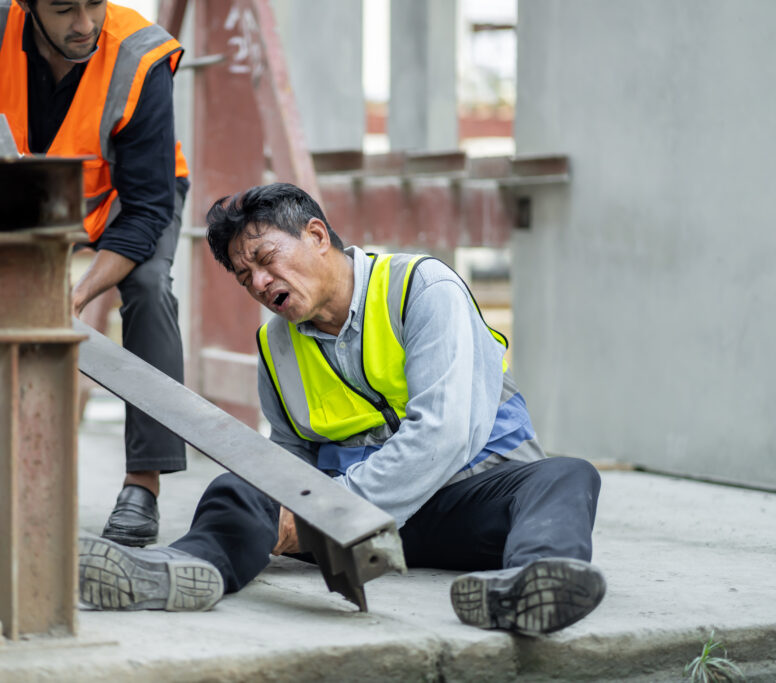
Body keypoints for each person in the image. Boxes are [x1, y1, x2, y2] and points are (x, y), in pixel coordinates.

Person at [76, 183, 607, 635]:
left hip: (465, 505)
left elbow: (445, 434)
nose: (258, 283)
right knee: (243, 484)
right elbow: (289, 459)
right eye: (244, 277)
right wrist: (285, 507)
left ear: (317, 235)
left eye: (264, 260)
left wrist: (324, 516)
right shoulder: (276, 347)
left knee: (563, 477)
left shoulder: (420, 288)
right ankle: (183, 568)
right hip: (358, 531)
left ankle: (534, 581)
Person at [0, 0, 189, 548]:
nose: (85, 24)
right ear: (29, 7)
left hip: (125, 202)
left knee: (151, 288)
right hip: (24, 198)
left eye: (94, 4)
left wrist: (79, 293)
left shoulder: (141, 56)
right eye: (64, 10)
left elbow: (148, 210)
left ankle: (143, 484)